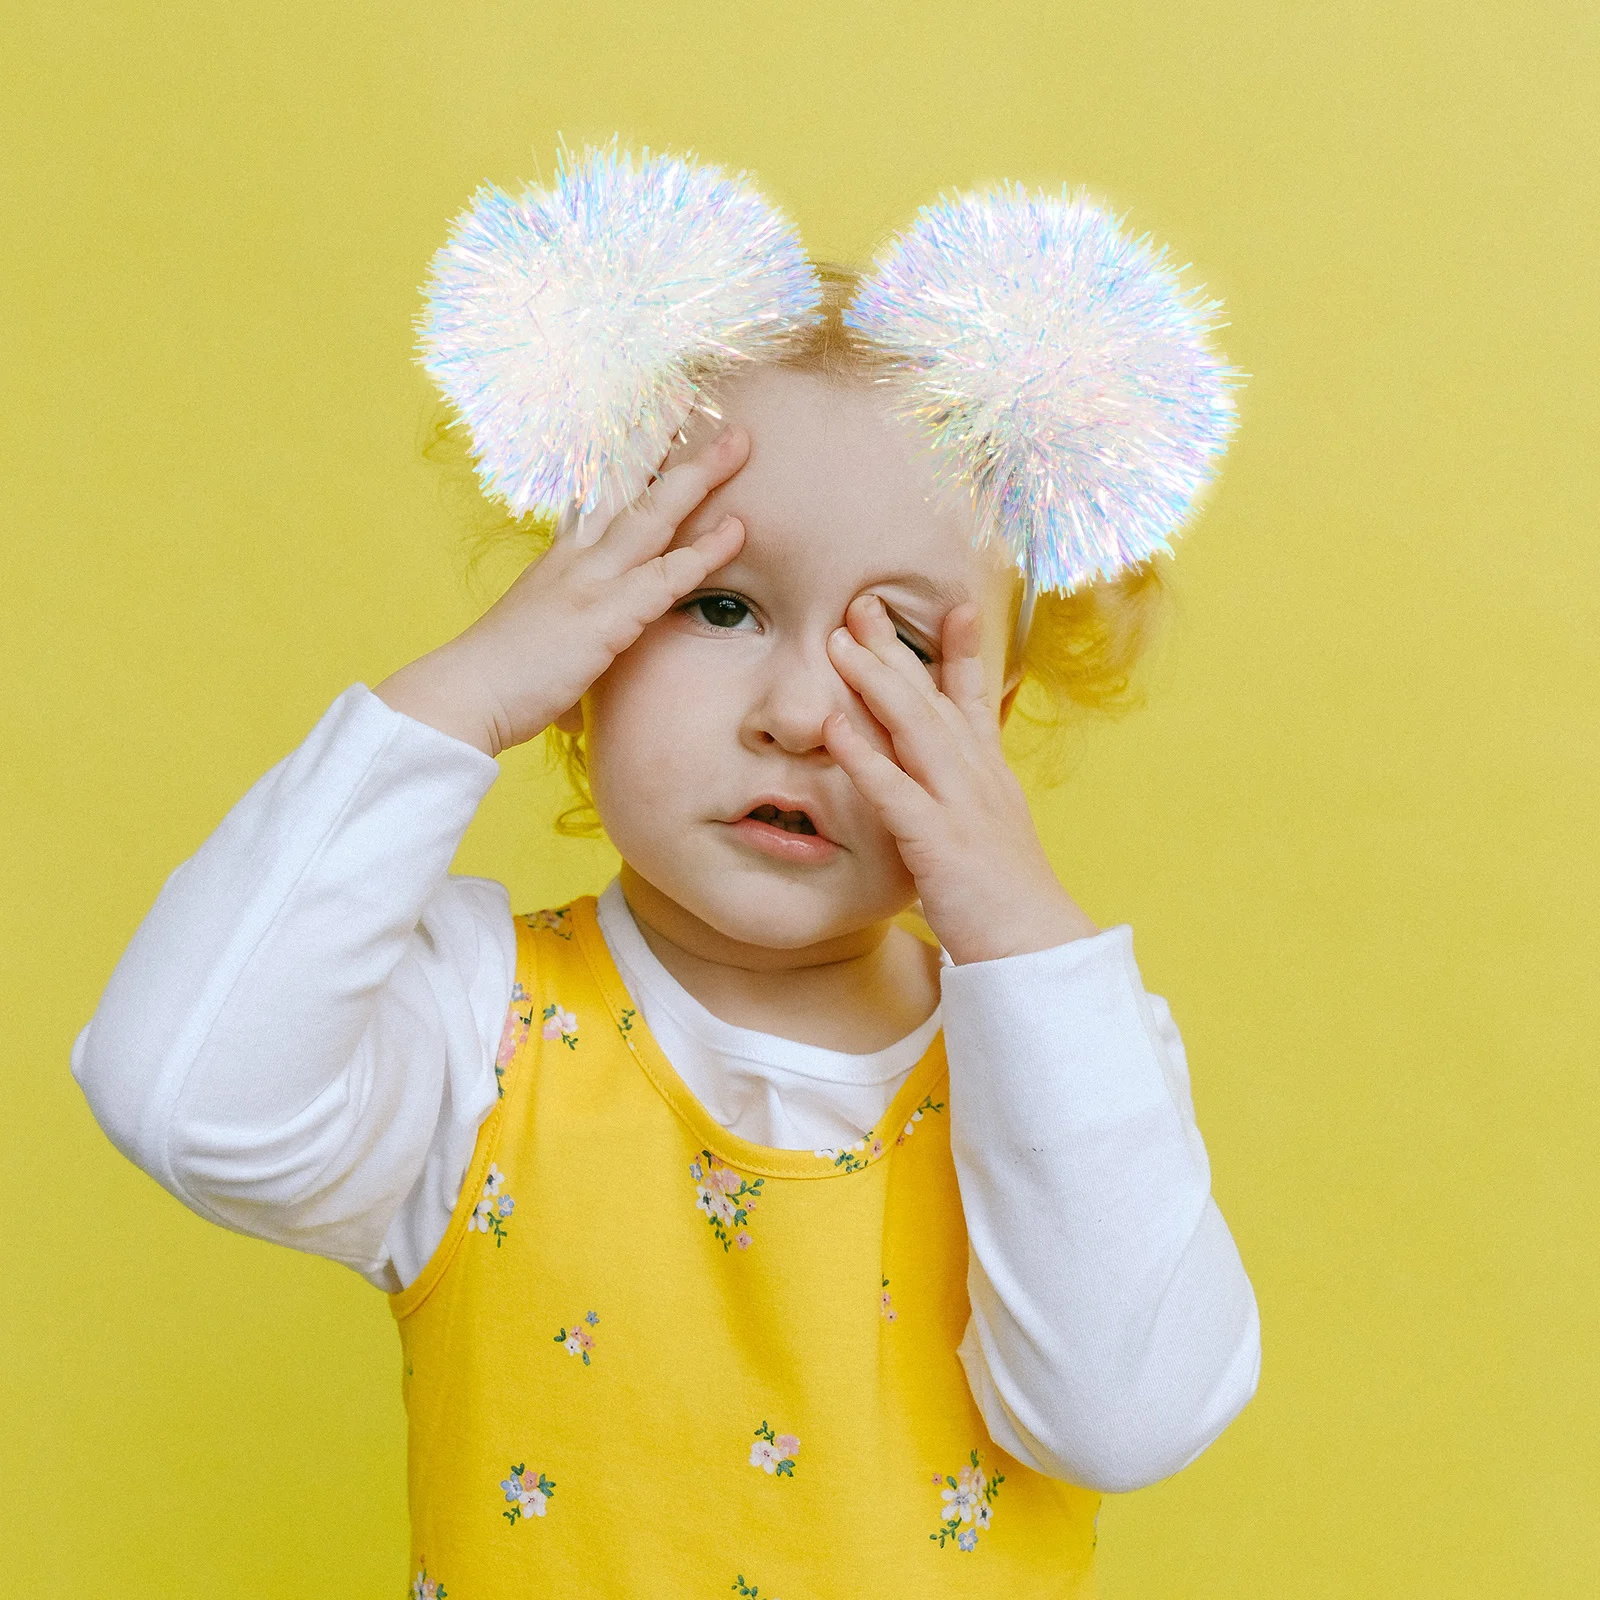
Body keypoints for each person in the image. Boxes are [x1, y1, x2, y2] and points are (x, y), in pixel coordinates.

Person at [73, 144, 1260, 1597]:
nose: (803, 713)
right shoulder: (473, 1030)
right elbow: (184, 1098)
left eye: (899, 645)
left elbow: (1126, 1417)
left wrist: (1023, 936)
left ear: (992, 729)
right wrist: (459, 699)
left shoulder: (1061, 1067)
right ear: (584, 653)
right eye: (719, 605)